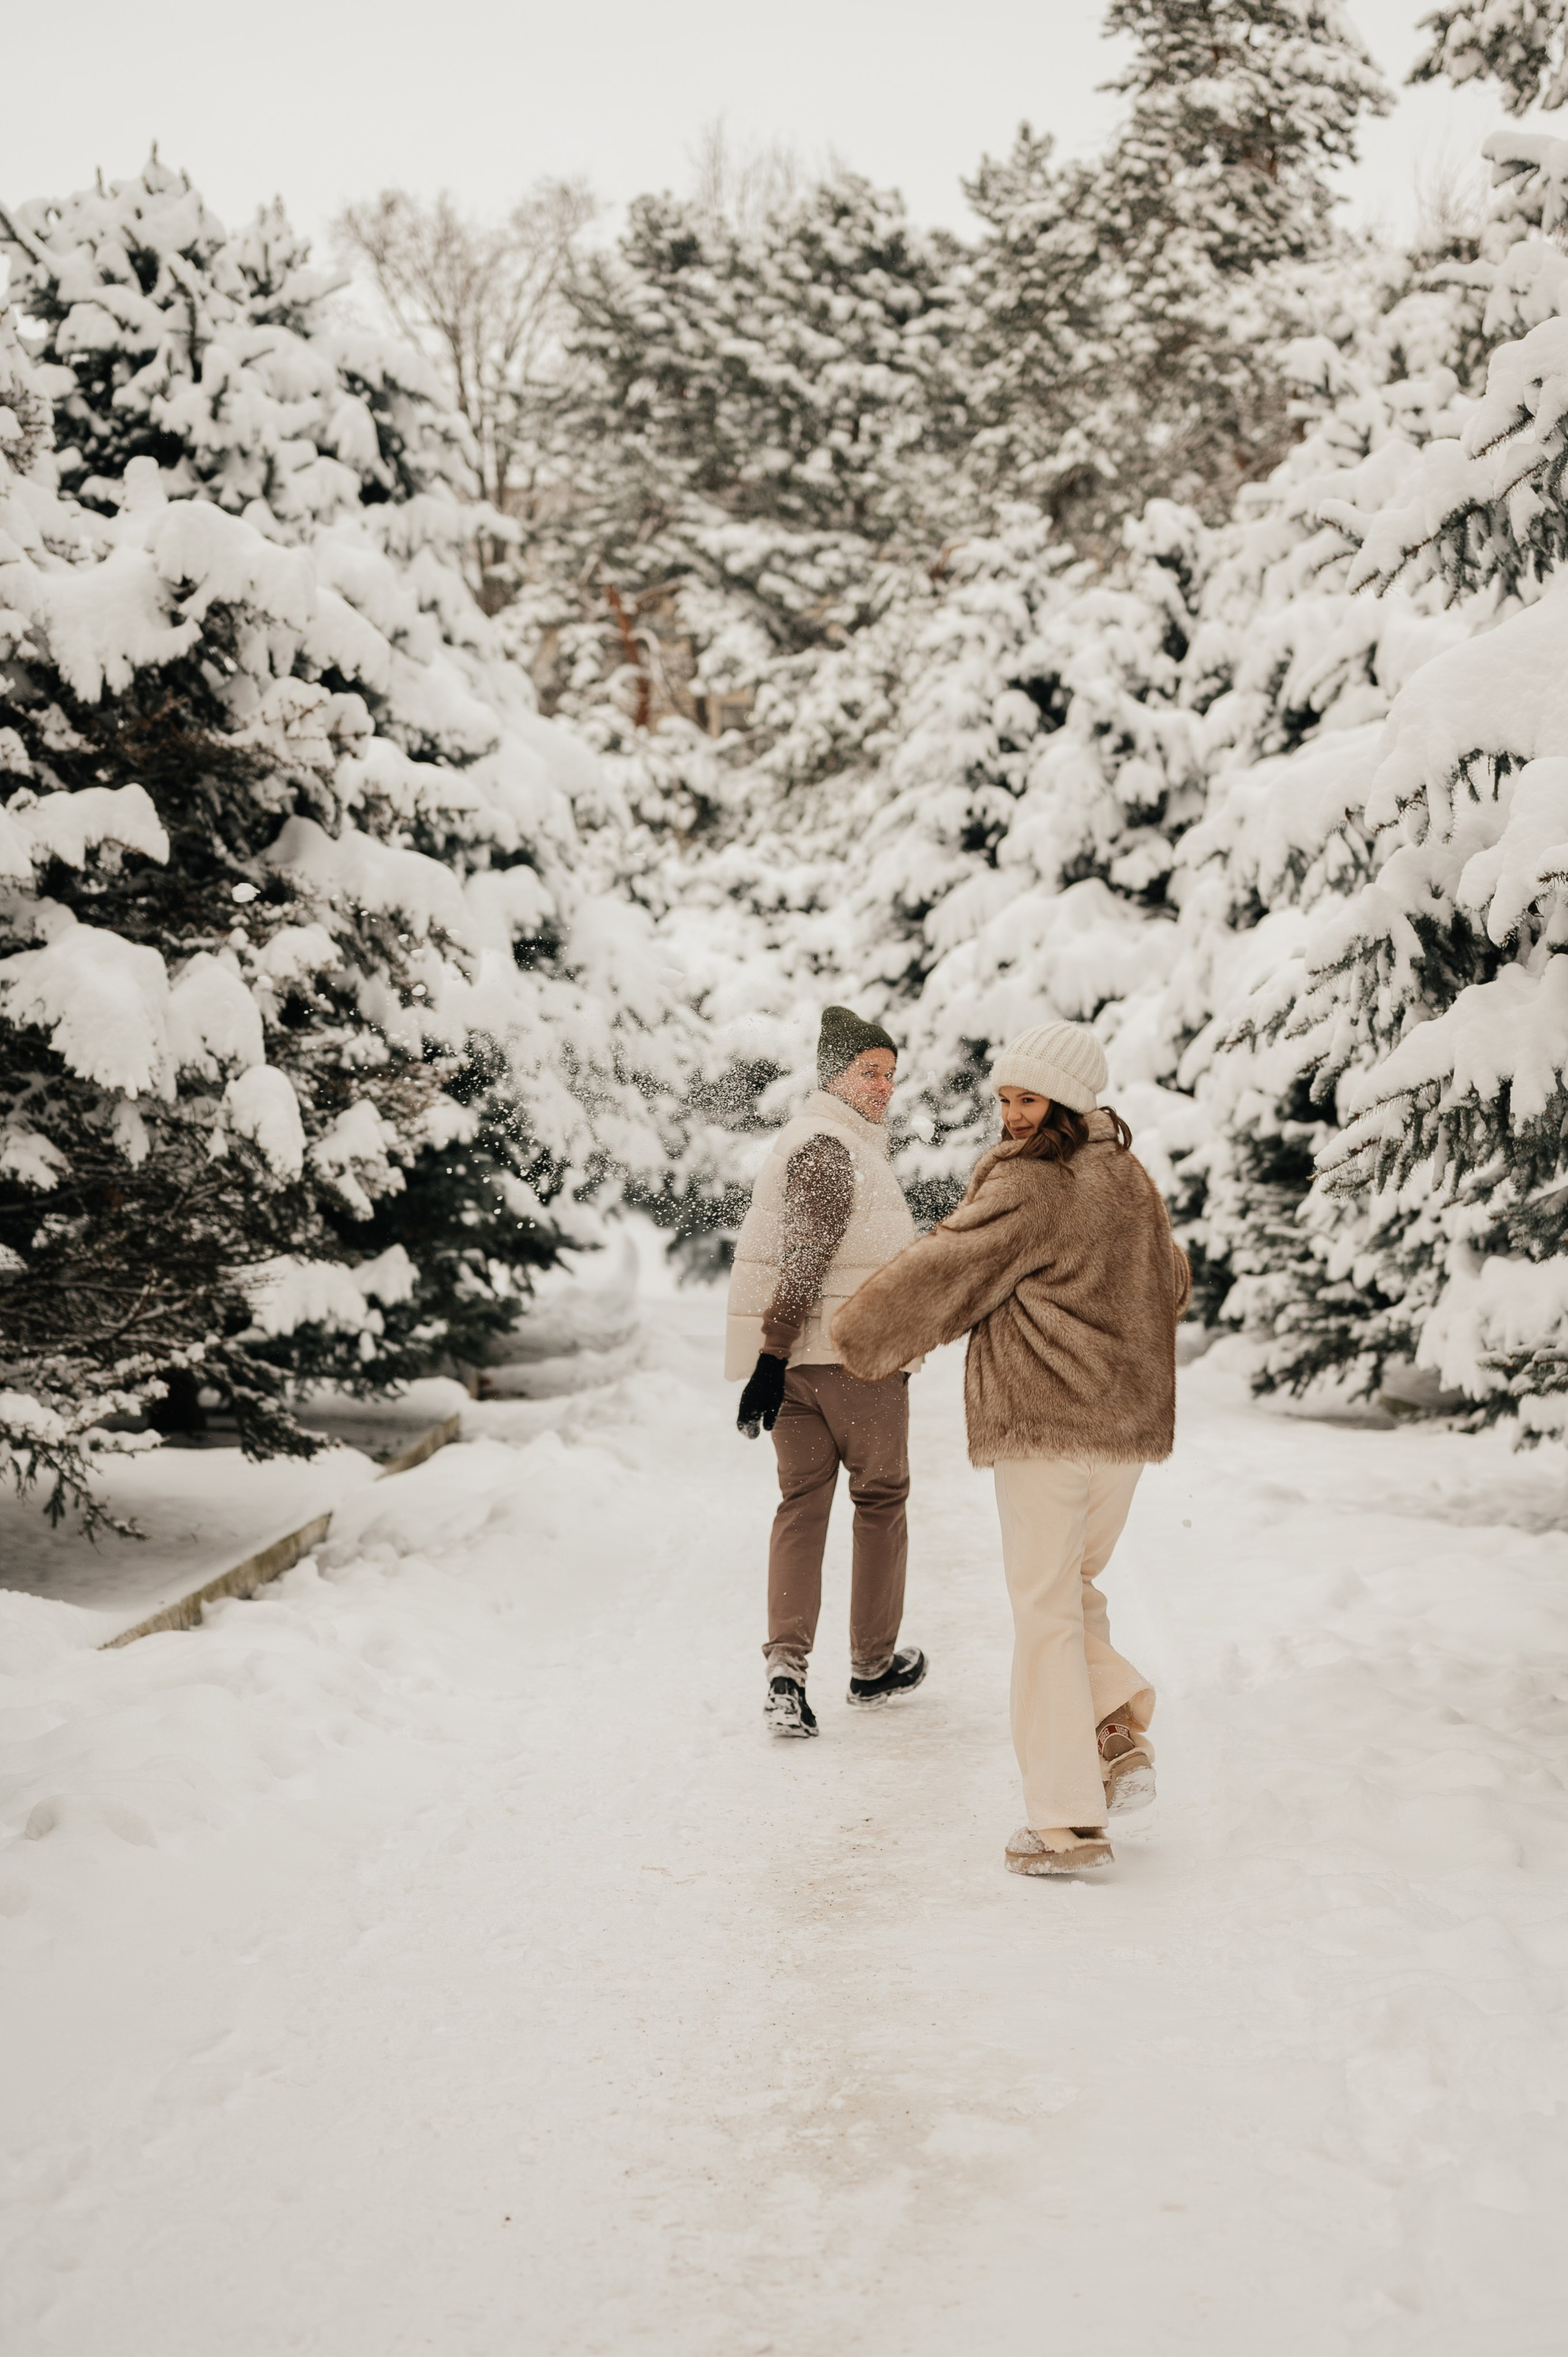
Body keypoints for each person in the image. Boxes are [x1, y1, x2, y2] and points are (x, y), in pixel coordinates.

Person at [832, 1019, 1189, 1875]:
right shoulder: (1130, 1180)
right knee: (1070, 1589)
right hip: (1124, 1437)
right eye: (1004, 1098)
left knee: (1042, 1616)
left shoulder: (1033, 1188)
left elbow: (948, 1267)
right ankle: (1110, 1728)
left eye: (1028, 1098)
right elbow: (1170, 1282)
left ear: (1068, 1100)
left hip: (1046, 1428)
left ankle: (1067, 1826)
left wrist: (856, 1339)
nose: (1013, 1115)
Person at [727, 1006, 929, 1738]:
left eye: (890, 1074)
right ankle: (871, 1666)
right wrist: (772, 1355)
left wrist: (774, 1362)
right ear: (833, 1074)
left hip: (802, 1371)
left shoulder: (821, 1140)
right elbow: (807, 1259)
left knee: (801, 1506)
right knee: (879, 1499)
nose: (883, 1086)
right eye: (869, 1071)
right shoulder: (829, 1148)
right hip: (852, 1363)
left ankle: (786, 1671)